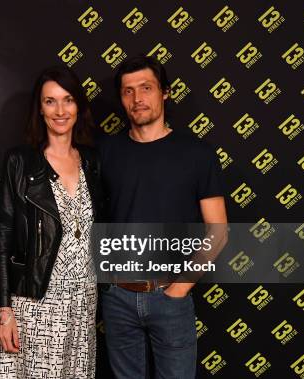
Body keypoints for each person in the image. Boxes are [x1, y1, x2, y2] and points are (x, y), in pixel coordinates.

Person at [99, 54, 228, 379]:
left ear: (165, 93)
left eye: (146, 88)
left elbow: (219, 230)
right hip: (118, 297)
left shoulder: (197, 153)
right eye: (128, 91)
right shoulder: (105, 153)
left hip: (171, 297)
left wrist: (179, 289)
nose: (137, 98)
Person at [0, 66, 104, 379]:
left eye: (68, 100)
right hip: (36, 302)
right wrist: (4, 312)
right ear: (39, 109)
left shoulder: (92, 161)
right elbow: (3, 240)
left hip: (84, 301)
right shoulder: (19, 161)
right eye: (50, 101)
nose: (60, 110)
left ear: (79, 107)